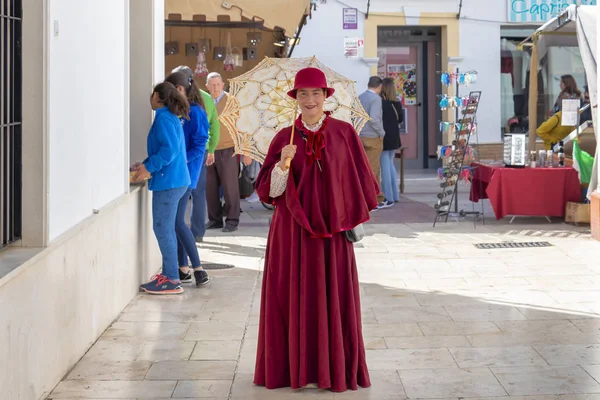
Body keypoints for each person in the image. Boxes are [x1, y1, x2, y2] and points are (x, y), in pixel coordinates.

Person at [253, 67, 379, 392]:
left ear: (326, 97)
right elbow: (269, 193)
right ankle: (291, 369)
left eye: (316, 93)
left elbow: (359, 181)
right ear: (295, 99)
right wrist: (282, 165)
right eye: (303, 94)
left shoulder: (344, 132)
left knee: (333, 298)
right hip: (290, 235)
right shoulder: (284, 137)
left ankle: (335, 368)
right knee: (289, 297)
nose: (310, 100)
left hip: (332, 235)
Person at [132, 82, 190, 295]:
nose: (150, 98)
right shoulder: (170, 116)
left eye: (152, 94)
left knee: (163, 229)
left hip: (170, 183)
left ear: (158, 97)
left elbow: (170, 150)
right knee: (165, 229)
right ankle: (169, 275)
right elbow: (166, 149)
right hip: (174, 180)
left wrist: (150, 166)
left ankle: (171, 279)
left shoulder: (164, 117)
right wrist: (145, 164)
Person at [164, 72, 210, 287]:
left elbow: (200, 146)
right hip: (178, 173)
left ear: (180, 89)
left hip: (187, 174)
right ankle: (183, 268)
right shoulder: (179, 111)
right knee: (177, 222)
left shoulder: (197, 113)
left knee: (177, 222)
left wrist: (181, 160)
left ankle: (198, 268)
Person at [171, 66, 220, 243]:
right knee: (198, 192)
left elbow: (211, 128)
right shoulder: (206, 98)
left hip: (193, 152)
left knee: (191, 192)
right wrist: (211, 149)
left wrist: (210, 149)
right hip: (198, 151)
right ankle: (197, 232)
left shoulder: (196, 107)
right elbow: (215, 126)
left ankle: (189, 236)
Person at [205, 72, 251, 233]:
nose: (216, 87)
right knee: (209, 187)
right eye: (212, 85)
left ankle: (232, 220)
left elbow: (243, 126)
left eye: (218, 84)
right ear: (207, 87)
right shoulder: (204, 101)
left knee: (230, 187)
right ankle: (214, 219)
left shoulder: (232, 102)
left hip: (228, 149)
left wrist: (246, 151)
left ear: (223, 84)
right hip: (208, 150)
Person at [358, 76, 387, 208]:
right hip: (372, 137)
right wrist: (382, 133)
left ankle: (362, 197)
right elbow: (374, 118)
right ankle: (374, 199)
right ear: (379, 86)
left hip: (360, 136)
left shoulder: (360, 97)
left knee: (362, 168)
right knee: (373, 169)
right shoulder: (376, 99)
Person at [379, 77, 403, 206]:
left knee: (385, 167)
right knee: (390, 165)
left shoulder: (381, 104)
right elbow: (400, 121)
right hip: (394, 137)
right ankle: (394, 194)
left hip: (384, 137)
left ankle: (388, 197)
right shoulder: (397, 103)